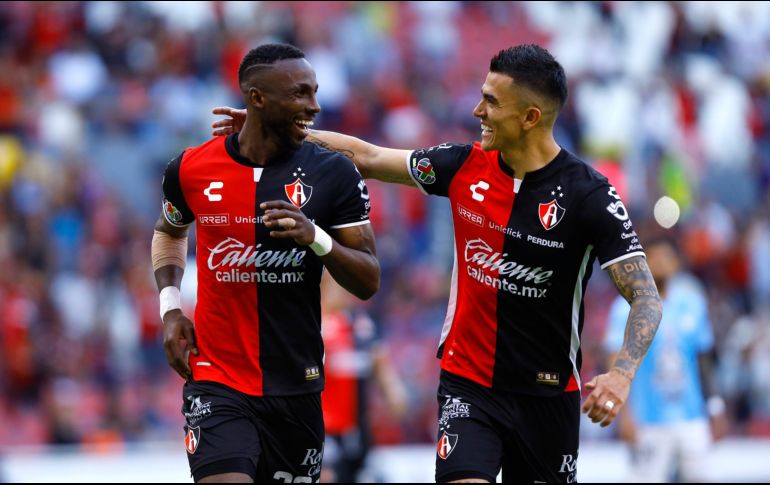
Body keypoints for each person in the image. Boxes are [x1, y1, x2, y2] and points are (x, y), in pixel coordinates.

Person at [212, 43, 663, 483]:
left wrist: (622, 374)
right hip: (468, 387)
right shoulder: (462, 166)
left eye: (491, 101)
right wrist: (276, 128)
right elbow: (368, 157)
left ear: (530, 118)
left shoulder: (591, 196)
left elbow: (645, 297)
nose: (476, 111)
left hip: (547, 396)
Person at [151, 43, 380, 483]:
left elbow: (369, 279)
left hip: (297, 384)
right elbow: (169, 231)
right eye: (299, 94)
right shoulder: (191, 168)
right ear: (257, 99)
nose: (313, 105)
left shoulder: (334, 174)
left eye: (314, 92)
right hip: (217, 380)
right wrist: (170, 308)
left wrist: (316, 238)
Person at [604, 235, 728, 482]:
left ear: (676, 263)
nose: (660, 262)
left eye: (665, 257)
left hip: (692, 416)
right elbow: (614, 360)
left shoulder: (692, 303)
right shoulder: (625, 307)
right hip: (647, 419)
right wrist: (622, 413)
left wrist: (715, 407)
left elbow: (702, 361)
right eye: (654, 258)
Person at [319, 272, 407, 483]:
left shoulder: (361, 325)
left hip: (357, 429)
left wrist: (393, 392)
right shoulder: (315, 323)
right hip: (323, 429)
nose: (343, 291)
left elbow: (379, 363)